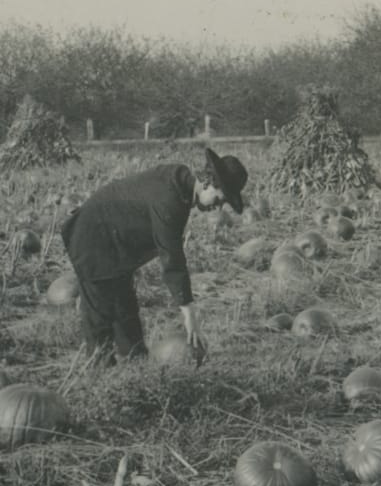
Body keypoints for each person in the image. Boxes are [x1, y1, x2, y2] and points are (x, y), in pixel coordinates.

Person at [61, 147, 248, 366]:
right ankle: (100, 375)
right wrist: (190, 316)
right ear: (208, 183)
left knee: (125, 308)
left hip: (116, 244)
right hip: (92, 237)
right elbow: (172, 259)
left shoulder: (180, 182)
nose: (218, 206)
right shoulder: (170, 198)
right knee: (100, 315)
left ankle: (137, 365)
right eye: (219, 198)